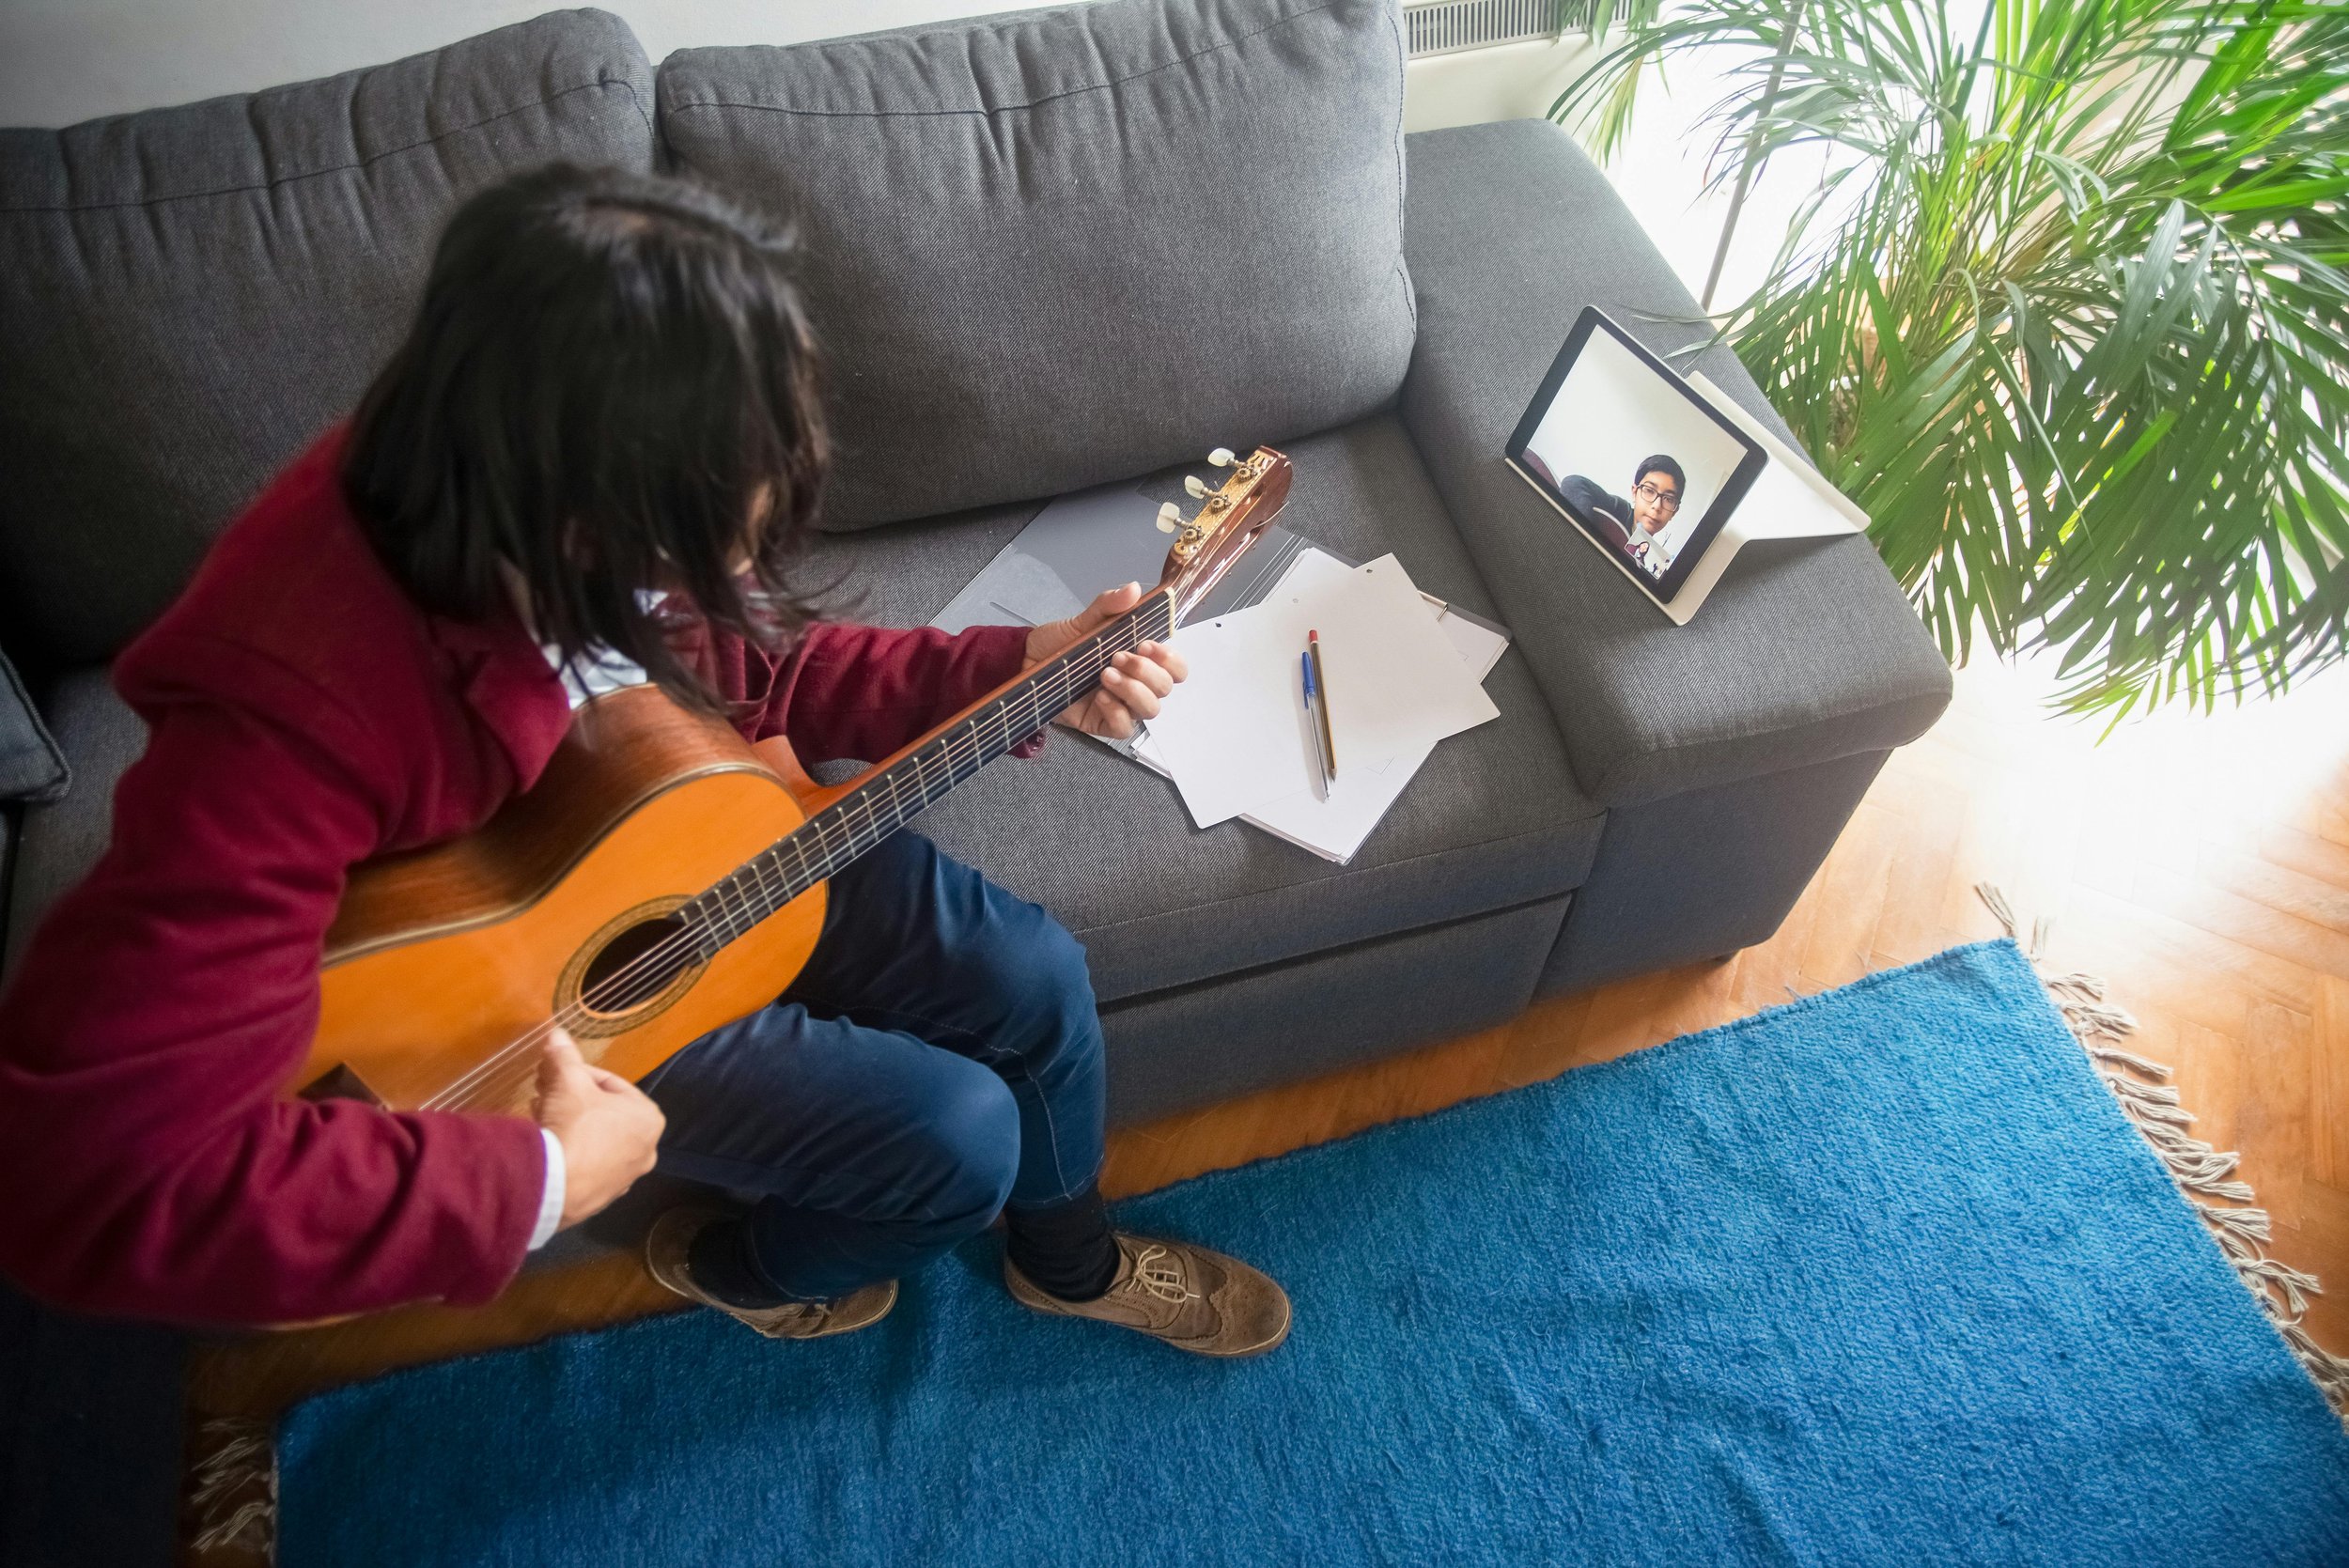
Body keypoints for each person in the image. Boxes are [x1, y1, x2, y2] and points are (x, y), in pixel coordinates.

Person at [0, 164, 1292, 1358]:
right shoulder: (284, 702)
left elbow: (757, 670)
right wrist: (537, 1176)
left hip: (675, 826)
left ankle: (1062, 1264)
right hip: (521, 1019)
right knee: (957, 1142)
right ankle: (741, 1266)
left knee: (1035, 971)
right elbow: (86, 1180)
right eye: (698, 553)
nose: (737, 580)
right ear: (567, 531)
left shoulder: (573, 480)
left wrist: (1021, 665)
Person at [1558, 455, 1685, 578]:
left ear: (1674, 512)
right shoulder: (1619, 510)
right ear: (1635, 493)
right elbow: (1573, 483)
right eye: (1649, 490)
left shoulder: (1655, 562)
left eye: (1668, 499)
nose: (1657, 506)